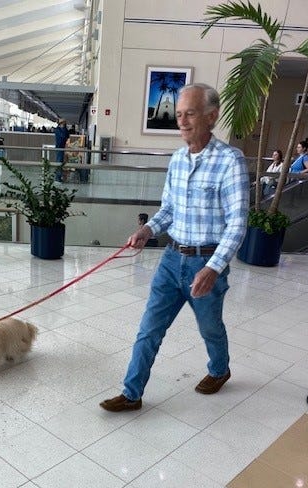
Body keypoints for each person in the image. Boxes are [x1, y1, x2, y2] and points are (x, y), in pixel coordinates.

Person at [100, 83, 249, 412]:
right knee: (149, 329)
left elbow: (238, 223)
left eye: (190, 114)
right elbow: (169, 210)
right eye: (179, 114)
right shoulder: (178, 159)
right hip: (171, 261)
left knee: (210, 328)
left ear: (211, 117)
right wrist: (148, 229)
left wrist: (213, 268)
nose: (181, 121)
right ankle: (131, 392)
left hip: (207, 262)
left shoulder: (230, 161)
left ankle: (220, 369)